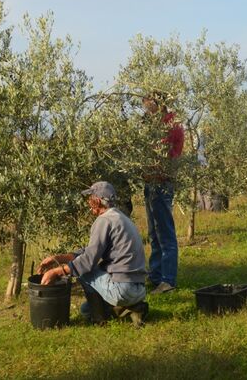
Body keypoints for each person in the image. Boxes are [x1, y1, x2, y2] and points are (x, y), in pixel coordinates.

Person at [39, 181, 148, 325]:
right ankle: (132, 308)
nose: (88, 203)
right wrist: (57, 258)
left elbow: (87, 262)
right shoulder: (120, 218)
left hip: (122, 289)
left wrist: (57, 272)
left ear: (97, 200)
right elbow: (90, 252)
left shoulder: (104, 220)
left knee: (82, 271)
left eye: (90, 198)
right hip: (138, 288)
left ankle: (99, 320)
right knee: (85, 310)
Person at [142, 94, 184, 294]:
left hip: (162, 183)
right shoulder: (155, 123)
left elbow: (166, 155)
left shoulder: (171, 124)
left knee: (165, 233)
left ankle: (168, 281)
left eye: (147, 103)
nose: (145, 107)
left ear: (158, 103)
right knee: (153, 233)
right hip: (151, 182)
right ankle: (156, 276)